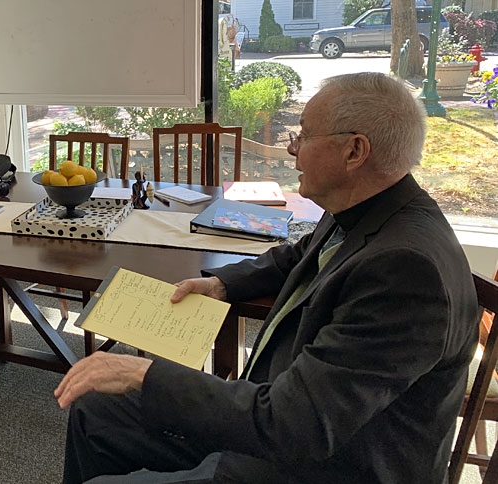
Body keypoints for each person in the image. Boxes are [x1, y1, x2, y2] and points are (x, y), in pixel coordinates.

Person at [54, 72, 478, 483]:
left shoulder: (406, 271)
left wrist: (144, 374)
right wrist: (224, 284)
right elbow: (297, 256)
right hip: (281, 419)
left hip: (324, 463)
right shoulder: (364, 209)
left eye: (304, 135)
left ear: (354, 151)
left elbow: (296, 425)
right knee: (96, 413)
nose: (292, 149)